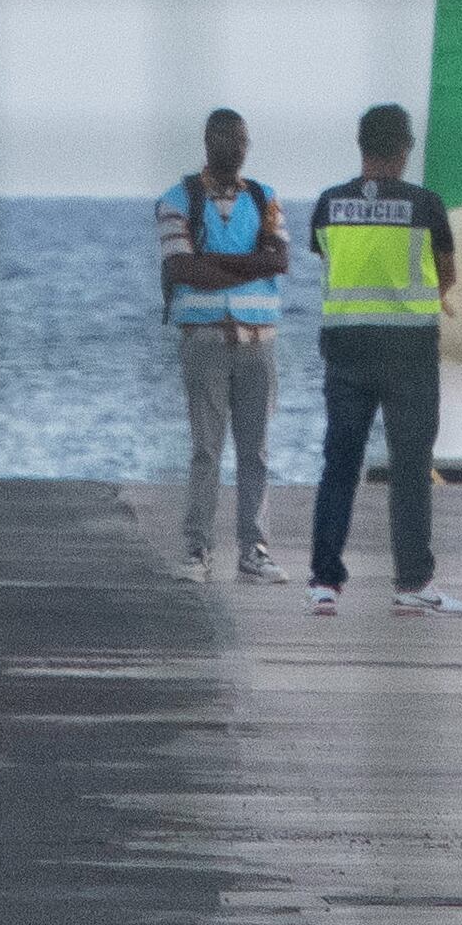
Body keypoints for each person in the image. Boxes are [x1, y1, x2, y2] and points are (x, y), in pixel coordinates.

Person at [302, 104, 462, 619]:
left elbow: (326, 259)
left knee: (340, 464)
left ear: (360, 145)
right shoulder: (425, 206)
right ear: (405, 149)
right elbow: (448, 275)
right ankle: (413, 582)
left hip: (346, 345)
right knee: (411, 467)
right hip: (409, 350)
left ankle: (325, 582)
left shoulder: (329, 205)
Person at [154, 110, 286, 580]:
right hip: (205, 340)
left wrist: (217, 263)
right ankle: (197, 549)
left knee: (256, 451)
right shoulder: (177, 200)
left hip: (258, 341)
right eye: (231, 139)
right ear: (210, 140)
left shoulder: (265, 197)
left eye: (245, 140)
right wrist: (249, 262)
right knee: (206, 449)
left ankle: (255, 550)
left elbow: (280, 259)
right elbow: (184, 270)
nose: (240, 148)